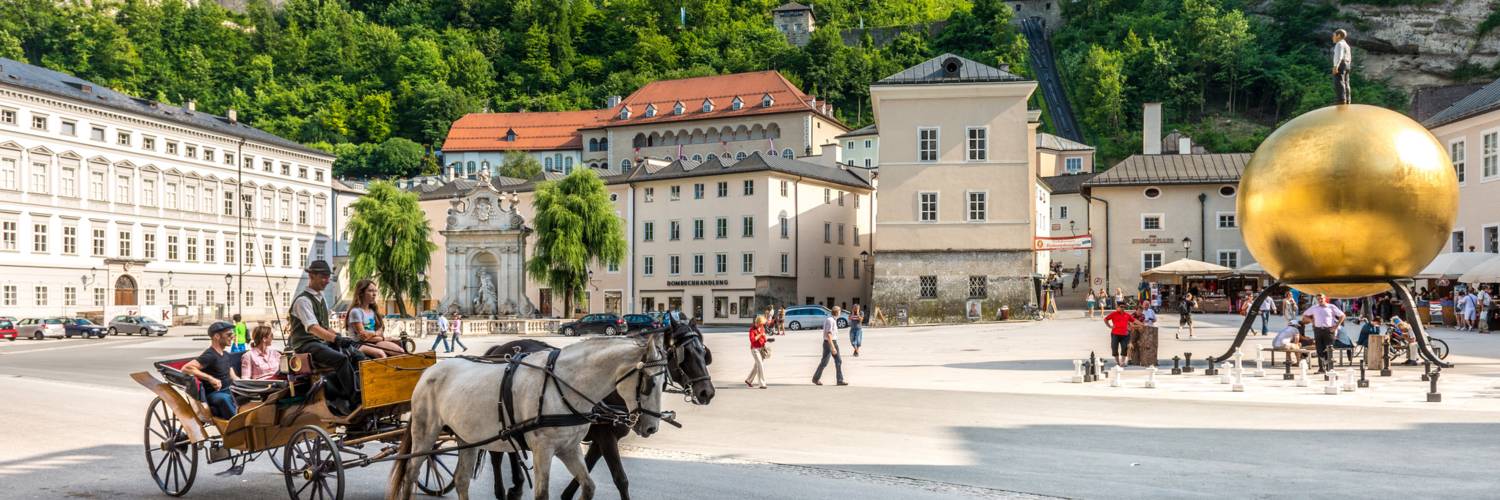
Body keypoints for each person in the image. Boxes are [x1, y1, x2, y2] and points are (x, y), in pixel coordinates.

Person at [287, 260, 365, 416]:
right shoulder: (303, 301)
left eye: (328, 277)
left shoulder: (320, 298)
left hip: (320, 341)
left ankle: (359, 390)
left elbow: (323, 325)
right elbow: (313, 328)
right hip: (306, 345)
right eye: (323, 276)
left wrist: (338, 336)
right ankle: (355, 399)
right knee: (341, 359)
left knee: (358, 355)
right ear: (311, 276)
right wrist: (335, 340)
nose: (327, 281)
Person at [181, 321, 240, 419]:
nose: (232, 337)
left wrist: (247, 385)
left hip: (229, 389)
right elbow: (186, 368)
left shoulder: (226, 355)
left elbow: (233, 376)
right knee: (224, 399)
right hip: (215, 394)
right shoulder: (210, 355)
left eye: (233, 334)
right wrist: (210, 378)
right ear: (217, 336)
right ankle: (236, 426)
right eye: (229, 334)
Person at [346, 279, 405, 359]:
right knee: (381, 354)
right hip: (358, 344)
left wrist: (373, 334)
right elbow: (364, 338)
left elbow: (380, 331)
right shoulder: (356, 312)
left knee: (400, 351)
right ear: (361, 293)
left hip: (374, 341)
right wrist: (382, 337)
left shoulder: (373, 311)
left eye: (375, 291)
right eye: (370, 291)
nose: (374, 294)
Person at [1301, 293, 1346, 373]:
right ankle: (1321, 368)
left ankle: (1330, 368)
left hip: (1329, 330)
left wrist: (1336, 326)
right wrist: (1311, 321)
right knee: (1319, 349)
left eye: (1321, 298)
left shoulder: (1331, 307)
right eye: (1318, 299)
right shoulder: (1314, 308)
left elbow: (1342, 315)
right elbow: (1304, 315)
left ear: (1325, 298)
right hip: (1318, 330)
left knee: (1328, 349)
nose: (1320, 300)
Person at [812, 306, 847, 386]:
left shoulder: (833, 320)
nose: (840, 313)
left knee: (838, 361)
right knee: (824, 362)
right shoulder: (830, 320)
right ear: (837, 312)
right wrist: (833, 347)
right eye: (840, 312)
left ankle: (840, 380)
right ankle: (815, 378)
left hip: (834, 342)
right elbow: (829, 334)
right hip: (829, 343)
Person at [745, 314, 769, 389]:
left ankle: (749, 380)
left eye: (762, 324)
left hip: (761, 348)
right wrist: (760, 334)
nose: (762, 325)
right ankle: (762, 383)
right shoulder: (752, 329)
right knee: (760, 365)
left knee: (757, 366)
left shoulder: (762, 328)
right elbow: (752, 340)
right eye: (761, 324)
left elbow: (764, 338)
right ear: (757, 322)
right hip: (755, 349)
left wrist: (766, 341)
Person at [1331, 28, 1352, 105]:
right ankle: (1347, 100)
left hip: (1341, 64)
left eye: (1334, 35)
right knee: (1346, 82)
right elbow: (1349, 57)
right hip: (1347, 65)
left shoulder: (1339, 44)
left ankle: (1341, 100)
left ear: (1338, 35)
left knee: (1339, 82)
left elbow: (1339, 56)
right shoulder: (1347, 45)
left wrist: (1336, 66)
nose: (1332, 37)